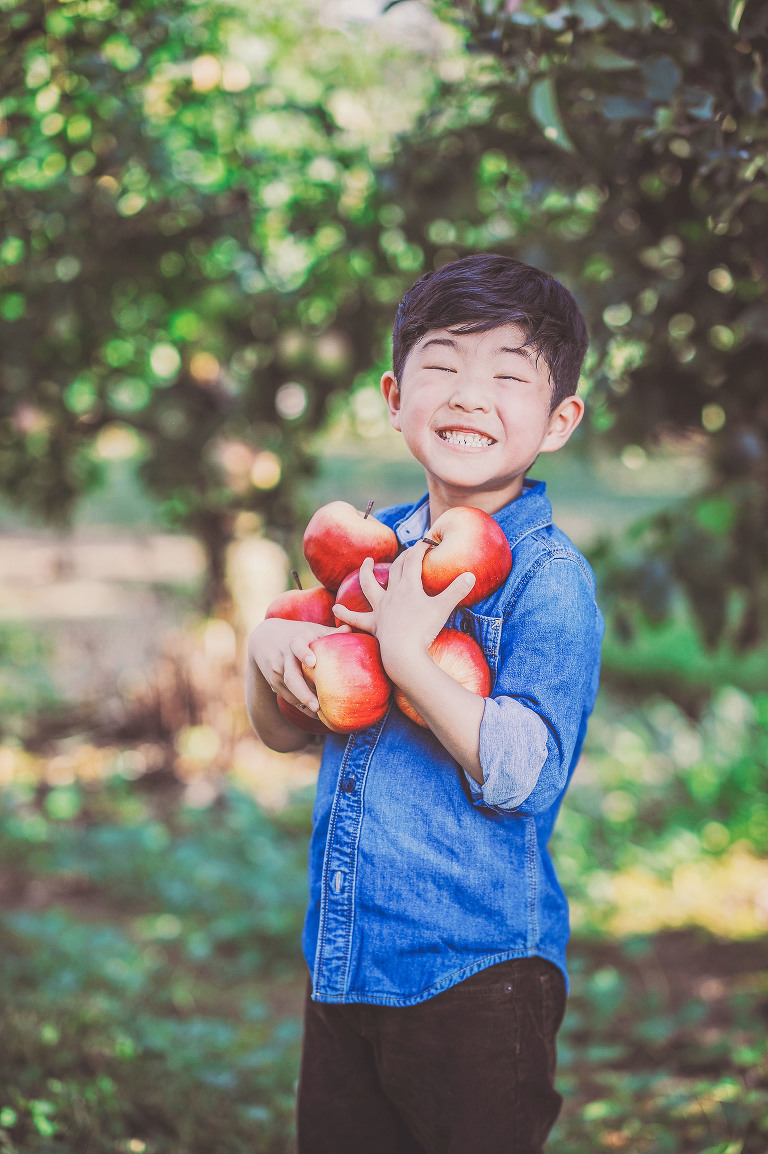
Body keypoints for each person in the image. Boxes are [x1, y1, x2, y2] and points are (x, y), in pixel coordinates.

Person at [245, 253, 604, 1154]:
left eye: (508, 375)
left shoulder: (550, 583)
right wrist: (265, 652)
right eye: (441, 364)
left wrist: (407, 655)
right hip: (348, 959)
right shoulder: (369, 556)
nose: (469, 394)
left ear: (559, 421)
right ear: (395, 397)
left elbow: (525, 773)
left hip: (478, 978)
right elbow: (288, 731)